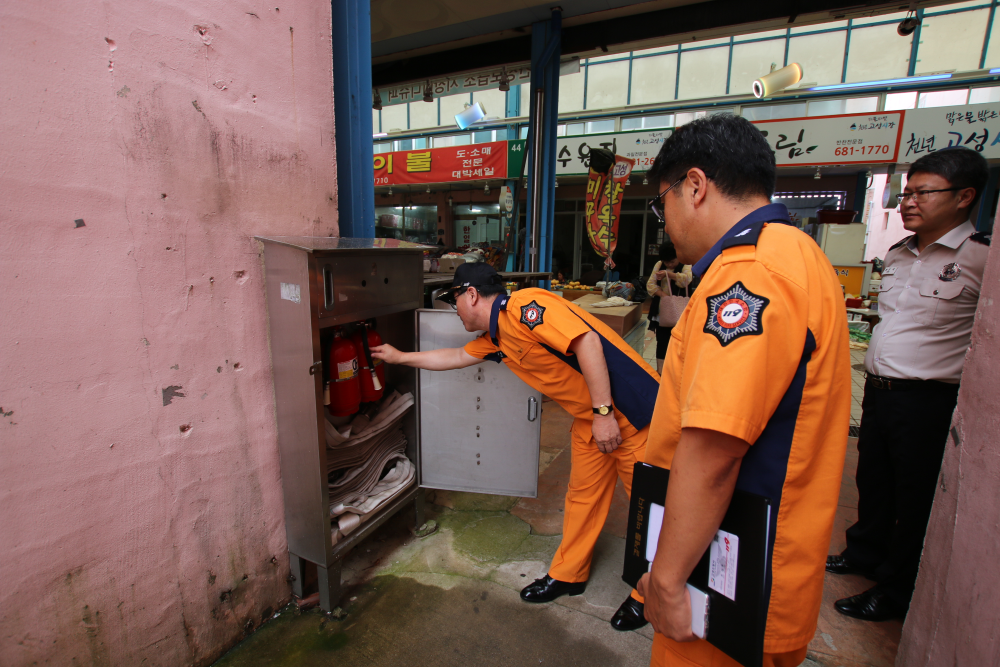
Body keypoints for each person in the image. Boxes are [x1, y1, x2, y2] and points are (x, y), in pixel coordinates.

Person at [635, 114, 851, 667]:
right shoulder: (799, 255)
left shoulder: (748, 275)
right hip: (769, 567)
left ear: (696, 185)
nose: (667, 222)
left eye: (663, 204)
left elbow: (713, 451)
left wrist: (665, 578)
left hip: (724, 584)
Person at [371, 262, 661, 631]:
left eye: (454, 300)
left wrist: (604, 412)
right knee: (582, 498)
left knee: (651, 510)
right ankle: (569, 574)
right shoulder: (497, 337)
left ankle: (648, 592)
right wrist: (399, 358)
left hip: (631, 413)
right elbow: (456, 357)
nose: (454, 310)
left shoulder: (526, 307)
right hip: (591, 419)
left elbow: (586, 340)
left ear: (472, 294)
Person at [827, 147, 990, 621]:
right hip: (880, 391)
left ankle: (895, 589)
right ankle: (863, 552)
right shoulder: (898, 254)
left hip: (929, 398)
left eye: (923, 192)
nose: (908, 202)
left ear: (964, 196)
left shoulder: (981, 257)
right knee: (872, 478)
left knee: (914, 495)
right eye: (907, 192)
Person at [645, 242, 694, 373]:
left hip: (680, 309)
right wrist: (665, 296)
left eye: (672, 262)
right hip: (662, 310)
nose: (669, 265)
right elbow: (650, 285)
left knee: (679, 340)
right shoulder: (659, 264)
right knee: (662, 340)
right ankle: (660, 371)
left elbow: (686, 280)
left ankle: (677, 370)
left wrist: (669, 274)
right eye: (666, 262)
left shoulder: (686, 264)